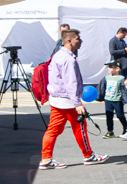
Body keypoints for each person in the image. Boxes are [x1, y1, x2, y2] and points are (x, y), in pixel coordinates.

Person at [40, 28, 108, 169]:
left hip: (56, 99)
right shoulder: (68, 59)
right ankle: (88, 156)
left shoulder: (57, 55)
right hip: (68, 101)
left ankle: (46, 159)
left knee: (53, 130)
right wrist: (77, 103)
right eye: (78, 38)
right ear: (69, 40)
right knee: (80, 128)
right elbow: (71, 83)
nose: (81, 41)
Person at [102, 60, 127, 138]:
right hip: (108, 99)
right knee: (109, 116)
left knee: (120, 115)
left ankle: (126, 127)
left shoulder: (121, 78)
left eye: (111, 67)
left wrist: (125, 99)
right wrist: (100, 96)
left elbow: (124, 90)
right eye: (108, 67)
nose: (109, 68)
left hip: (117, 100)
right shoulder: (106, 78)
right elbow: (102, 87)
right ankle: (110, 131)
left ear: (118, 69)